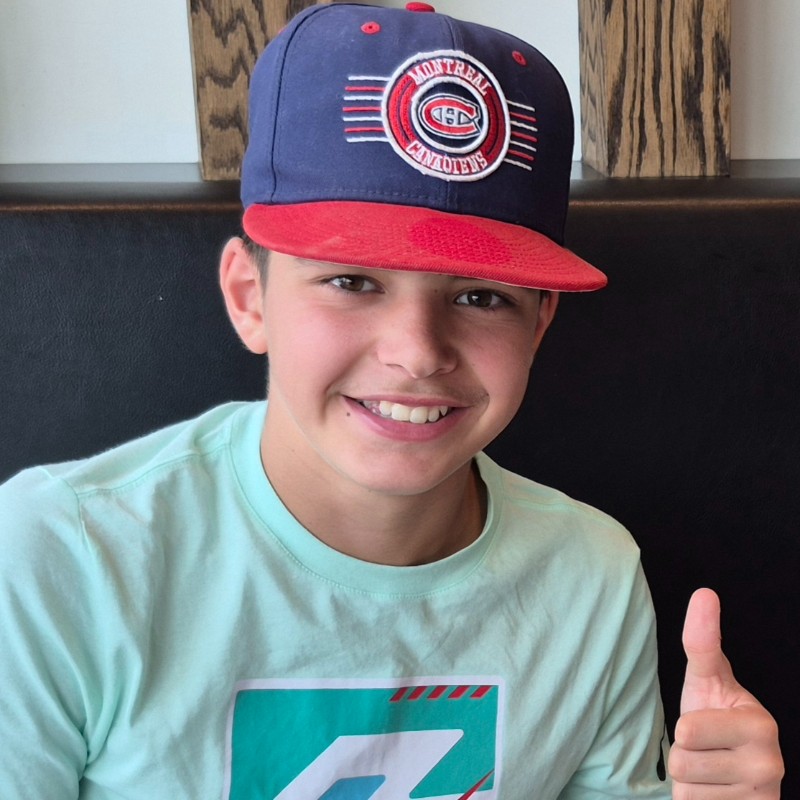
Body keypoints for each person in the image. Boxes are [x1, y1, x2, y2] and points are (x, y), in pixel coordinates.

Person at [0, 3, 783, 798]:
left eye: (480, 296)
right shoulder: (61, 557)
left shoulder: (592, 577)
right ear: (249, 297)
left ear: (539, 324)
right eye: (351, 281)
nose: (417, 351)